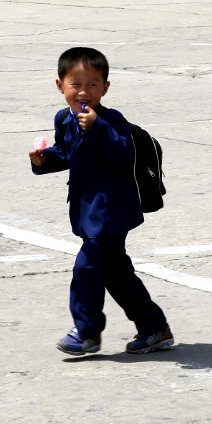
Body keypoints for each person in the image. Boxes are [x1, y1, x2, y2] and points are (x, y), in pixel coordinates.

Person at [29, 47, 173, 356]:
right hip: (87, 210)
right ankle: (154, 328)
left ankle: (87, 332)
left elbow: (123, 152)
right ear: (60, 86)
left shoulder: (111, 120)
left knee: (87, 268)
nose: (84, 92)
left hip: (111, 212)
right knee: (116, 275)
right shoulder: (64, 120)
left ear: (105, 88)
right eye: (76, 84)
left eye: (93, 84)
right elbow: (67, 153)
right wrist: (43, 161)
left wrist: (97, 128)